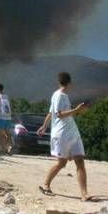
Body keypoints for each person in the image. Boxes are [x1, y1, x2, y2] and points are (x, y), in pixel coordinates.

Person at [37, 72, 93, 202]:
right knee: (61, 163)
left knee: (80, 161)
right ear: (69, 83)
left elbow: (51, 113)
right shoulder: (60, 96)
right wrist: (76, 110)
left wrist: (44, 126)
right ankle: (45, 184)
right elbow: (60, 114)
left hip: (72, 132)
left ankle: (84, 194)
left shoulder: (59, 95)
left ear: (59, 82)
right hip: (62, 134)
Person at [0, 83, 13, 154]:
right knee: (8, 134)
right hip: (8, 117)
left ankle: (3, 149)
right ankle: (9, 147)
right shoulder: (6, 96)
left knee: (0, 135)